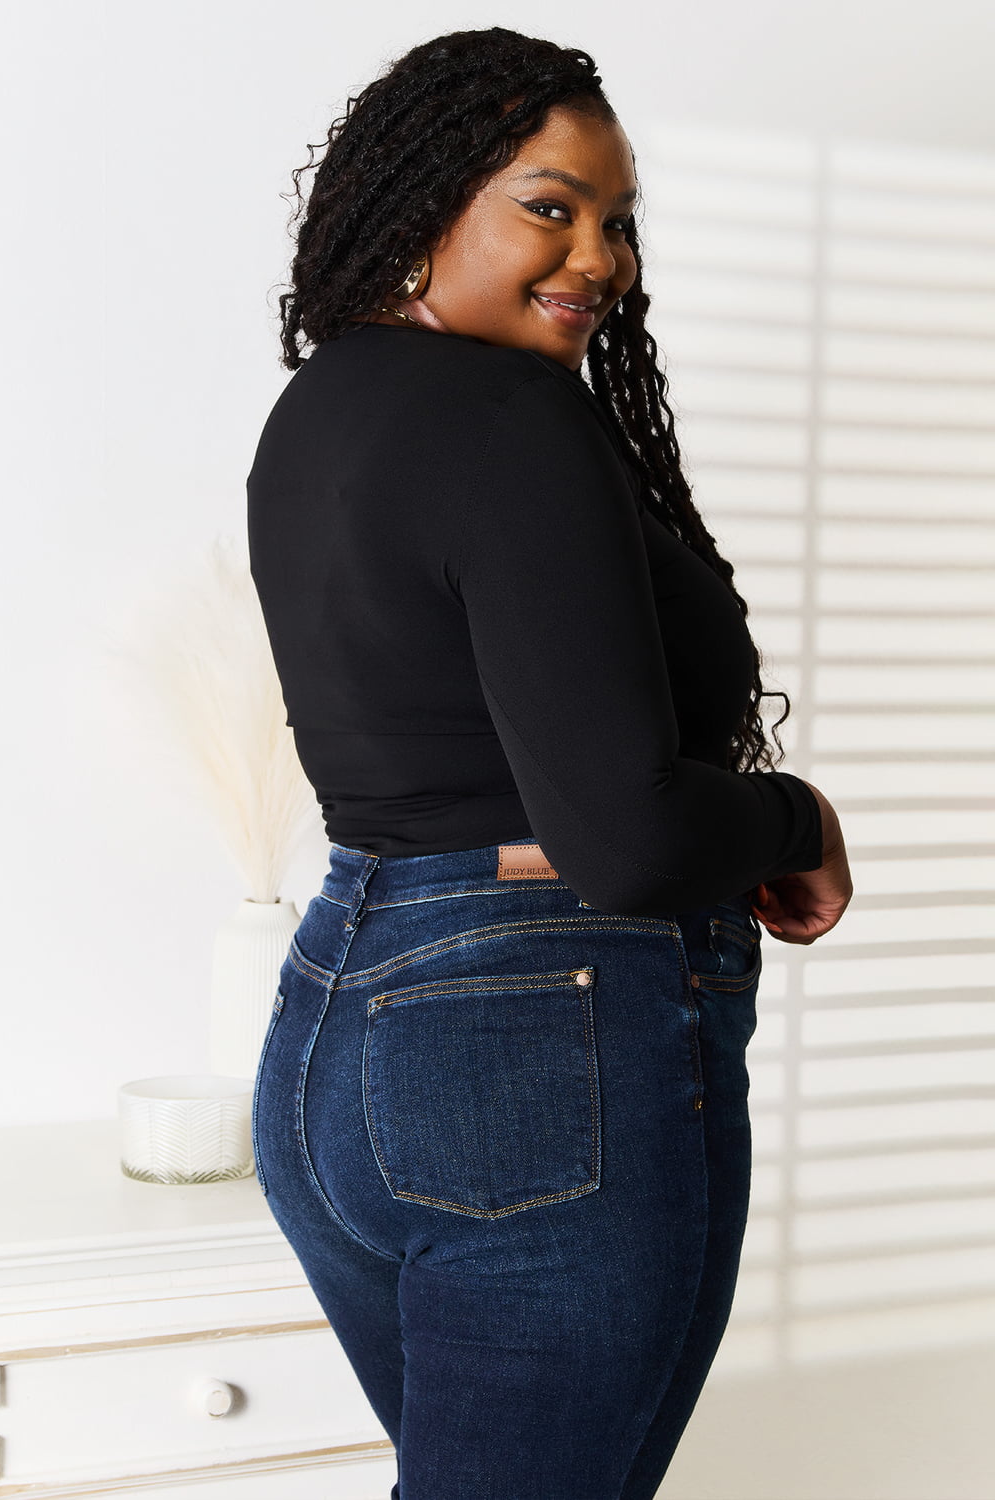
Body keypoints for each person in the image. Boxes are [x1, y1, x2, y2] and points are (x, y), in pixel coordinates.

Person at [246, 27, 853, 1500]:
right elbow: (629, 841)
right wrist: (794, 814)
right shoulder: (515, 419)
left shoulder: (315, 413)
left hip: (343, 1034)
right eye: (551, 203)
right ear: (429, 201)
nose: (600, 254)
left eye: (618, 218)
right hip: (534, 1056)